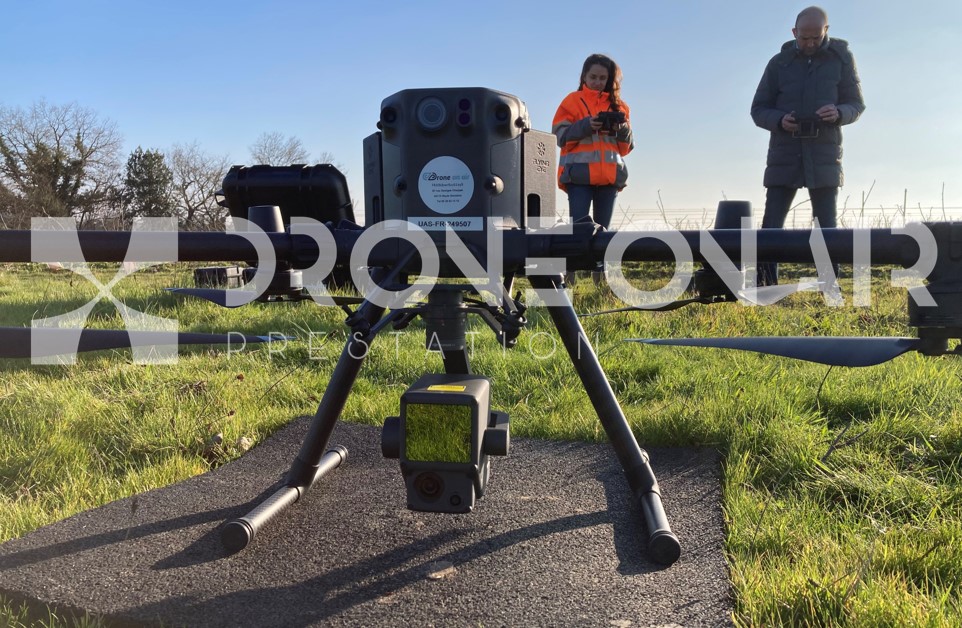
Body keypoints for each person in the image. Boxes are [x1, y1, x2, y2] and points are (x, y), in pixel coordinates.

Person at [751, 6, 865, 285]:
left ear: (826, 30)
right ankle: (765, 285)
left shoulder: (842, 59)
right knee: (772, 223)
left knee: (826, 225)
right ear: (794, 32)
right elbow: (758, 109)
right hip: (784, 152)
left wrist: (839, 112)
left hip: (824, 152)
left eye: (816, 37)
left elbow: (857, 105)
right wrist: (779, 120)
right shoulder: (778, 63)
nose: (811, 43)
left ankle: (830, 287)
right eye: (805, 38)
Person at [552, 53, 633, 284]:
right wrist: (586, 125)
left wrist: (621, 128)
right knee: (578, 229)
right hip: (578, 176)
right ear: (584, 77)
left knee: (604, 232)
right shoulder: (572, 101)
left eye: (603, 78)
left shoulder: (620, 106)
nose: (598, 82)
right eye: (593, 77)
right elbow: (559, 136)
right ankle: (568, 279)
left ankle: (601, 279)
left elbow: (626, 148)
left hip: (609, 178)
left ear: (609, 80)